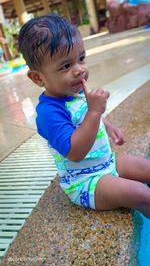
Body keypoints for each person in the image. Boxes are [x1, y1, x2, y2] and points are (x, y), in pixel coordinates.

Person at [18, 14, 150, 218]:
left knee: (147, 167)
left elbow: (83, 115)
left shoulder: (74, 92)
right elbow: (74, 151)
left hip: (107, 162)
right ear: (38, 77)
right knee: (141, 193)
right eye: (65, 66)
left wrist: (108, 125)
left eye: (81, 59)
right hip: (85, 181)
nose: (79, 70)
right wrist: (95, 111)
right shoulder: (49, 113)